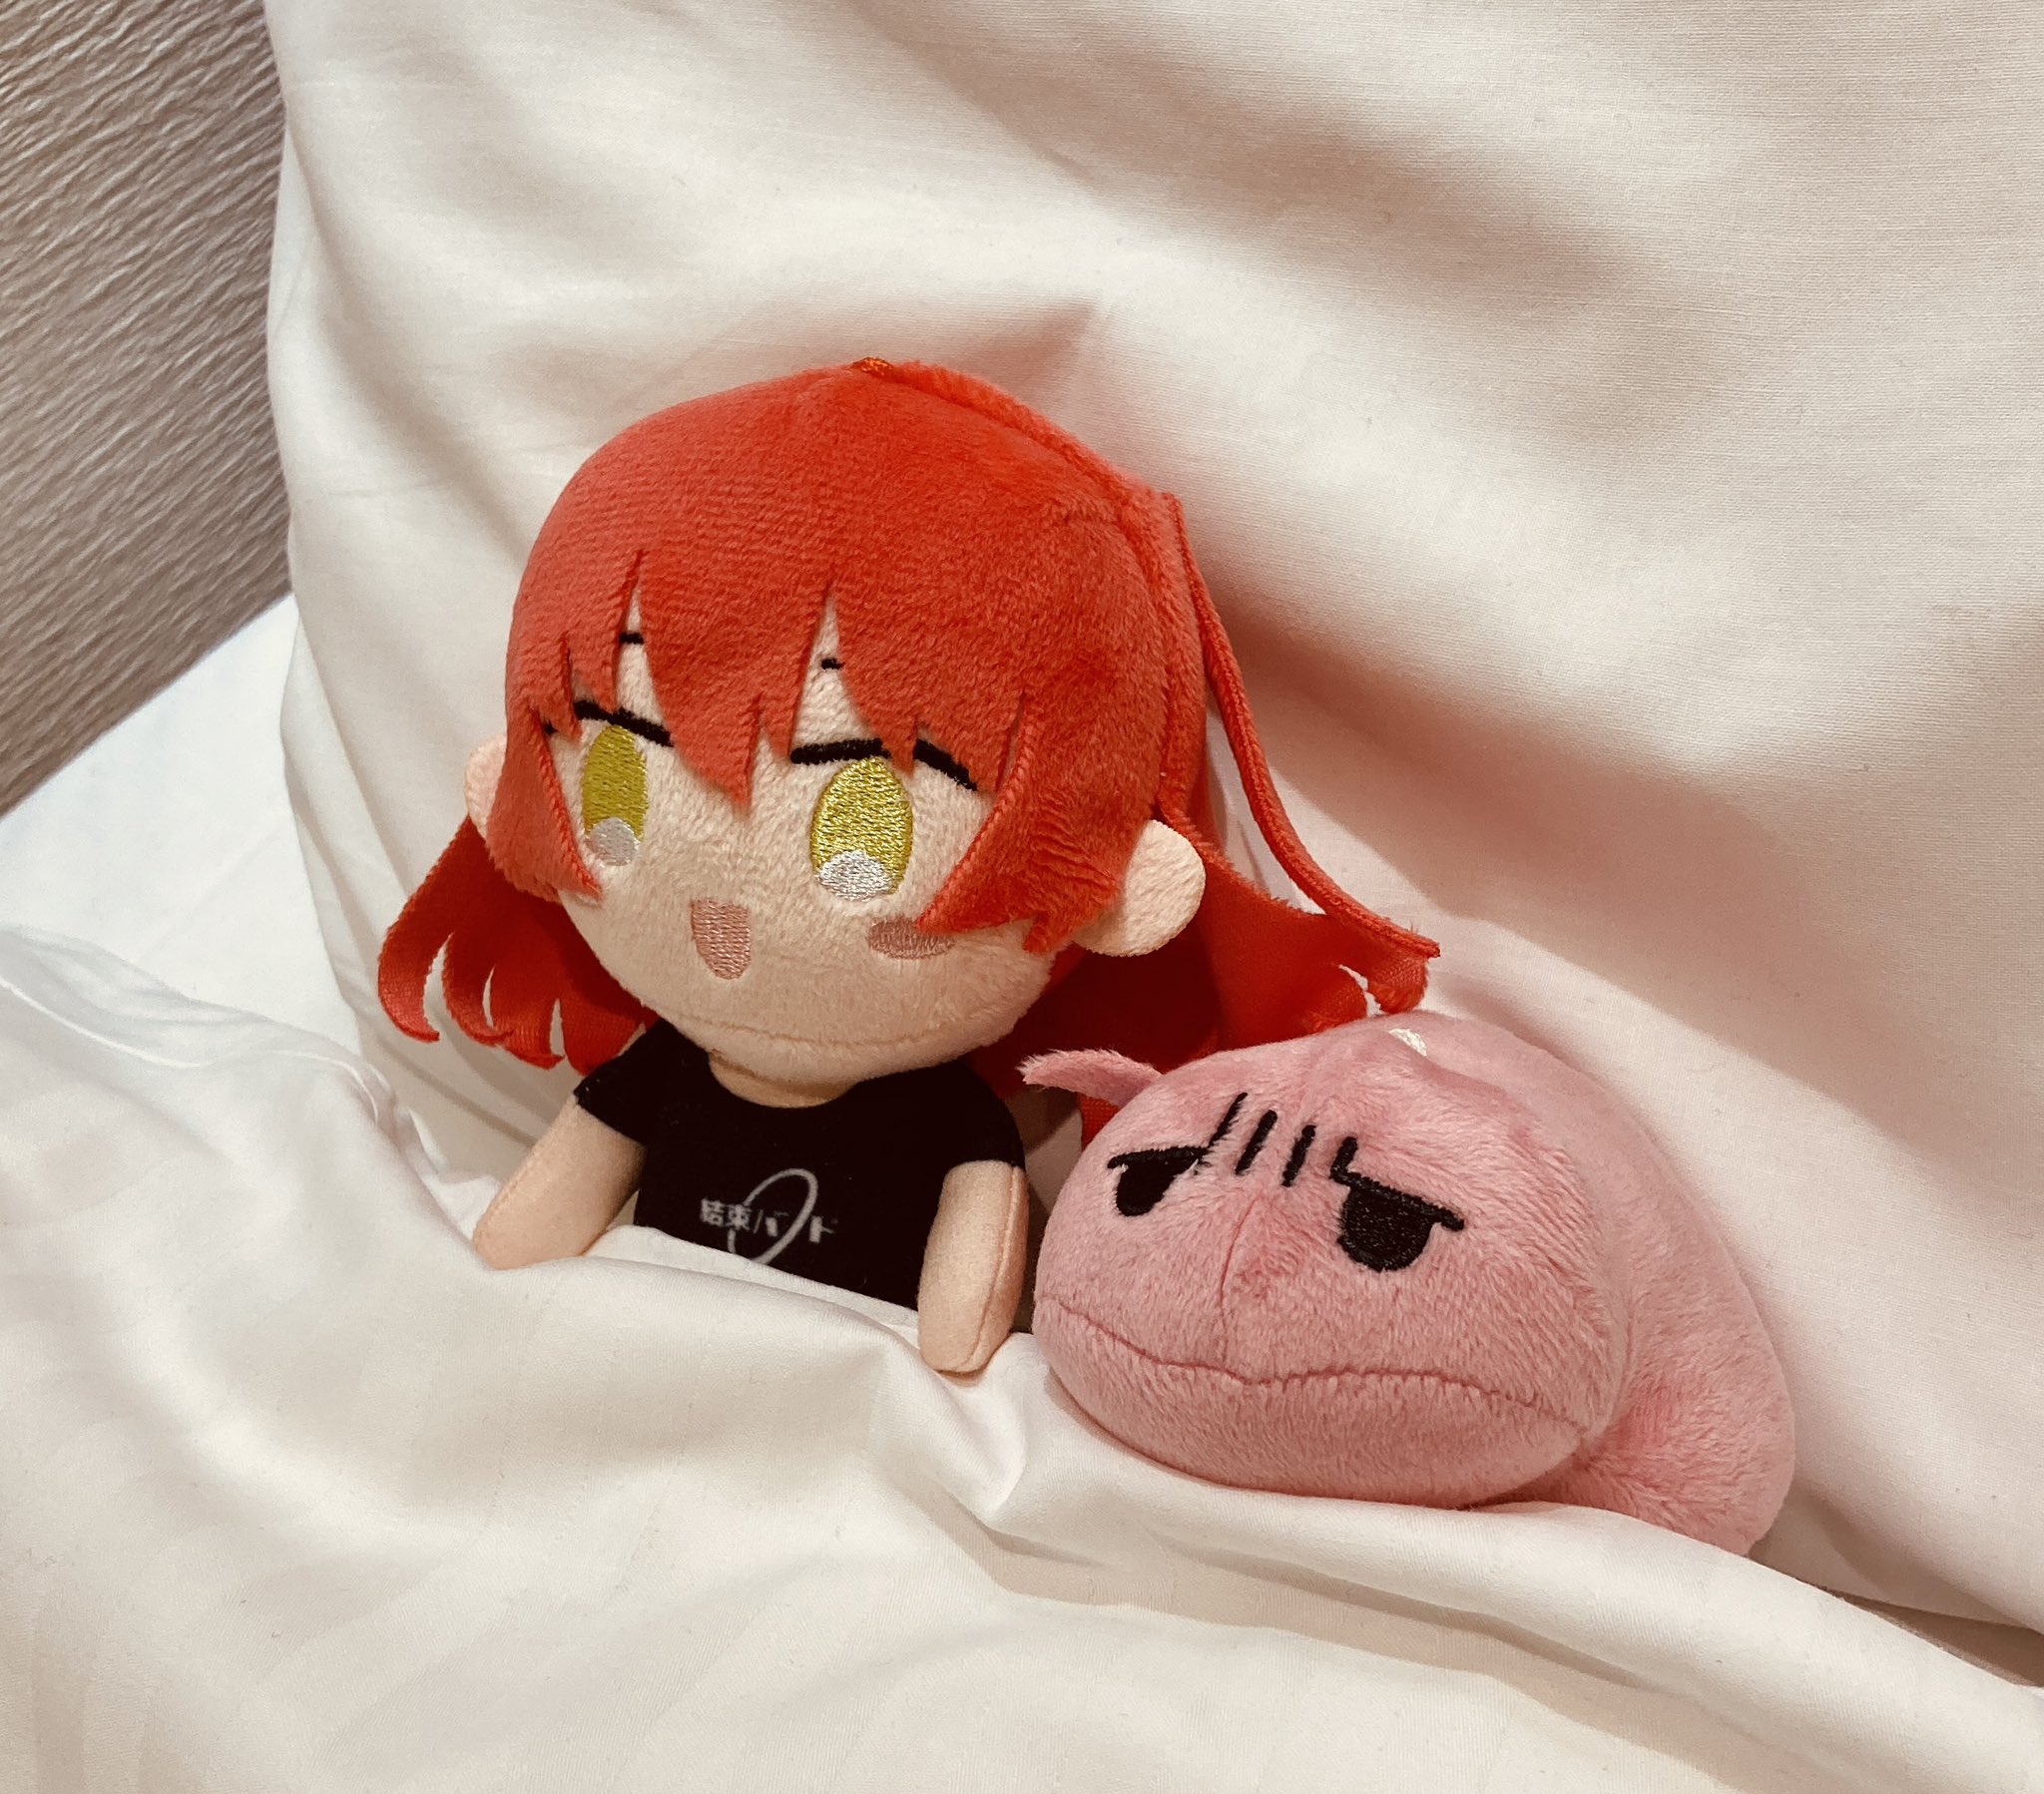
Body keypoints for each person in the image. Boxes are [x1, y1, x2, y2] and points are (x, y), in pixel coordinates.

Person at [379, 359, 1434, 1370]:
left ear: (1111, 890)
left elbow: (961, 1324)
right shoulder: (658, 1075)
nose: (725, 909)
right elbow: (525, 1235)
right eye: (615, 785)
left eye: (865, 828)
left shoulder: (946, 1119)